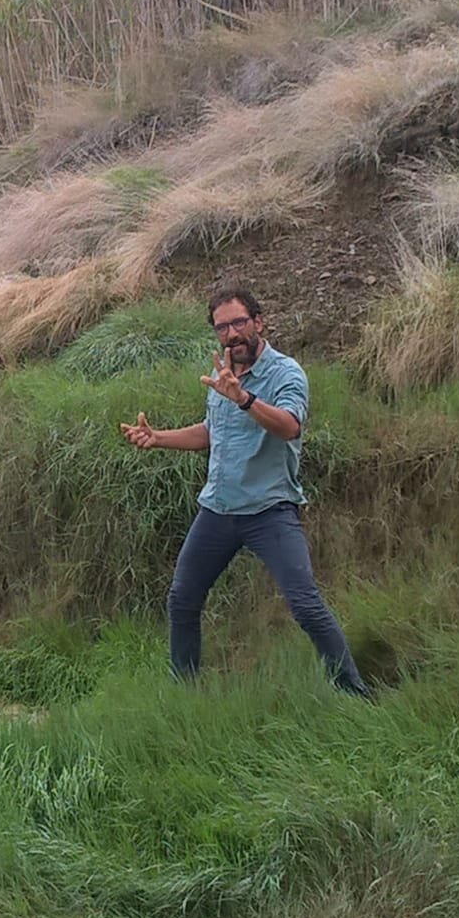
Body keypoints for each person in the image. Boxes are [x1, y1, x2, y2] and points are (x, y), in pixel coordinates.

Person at [120, 285, 370, 695]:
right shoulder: (222, 375)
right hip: (217, 510)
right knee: (182, 599)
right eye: (222, 327)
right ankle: (184, 694)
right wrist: (158, 437)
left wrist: (244, 398)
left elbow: (289, 427)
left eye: (239, 322)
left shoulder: (285, 373)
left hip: (269, 509)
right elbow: (211, 432)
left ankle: (353, 693)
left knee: (305, 605)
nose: (232, 333)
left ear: (258, 322)